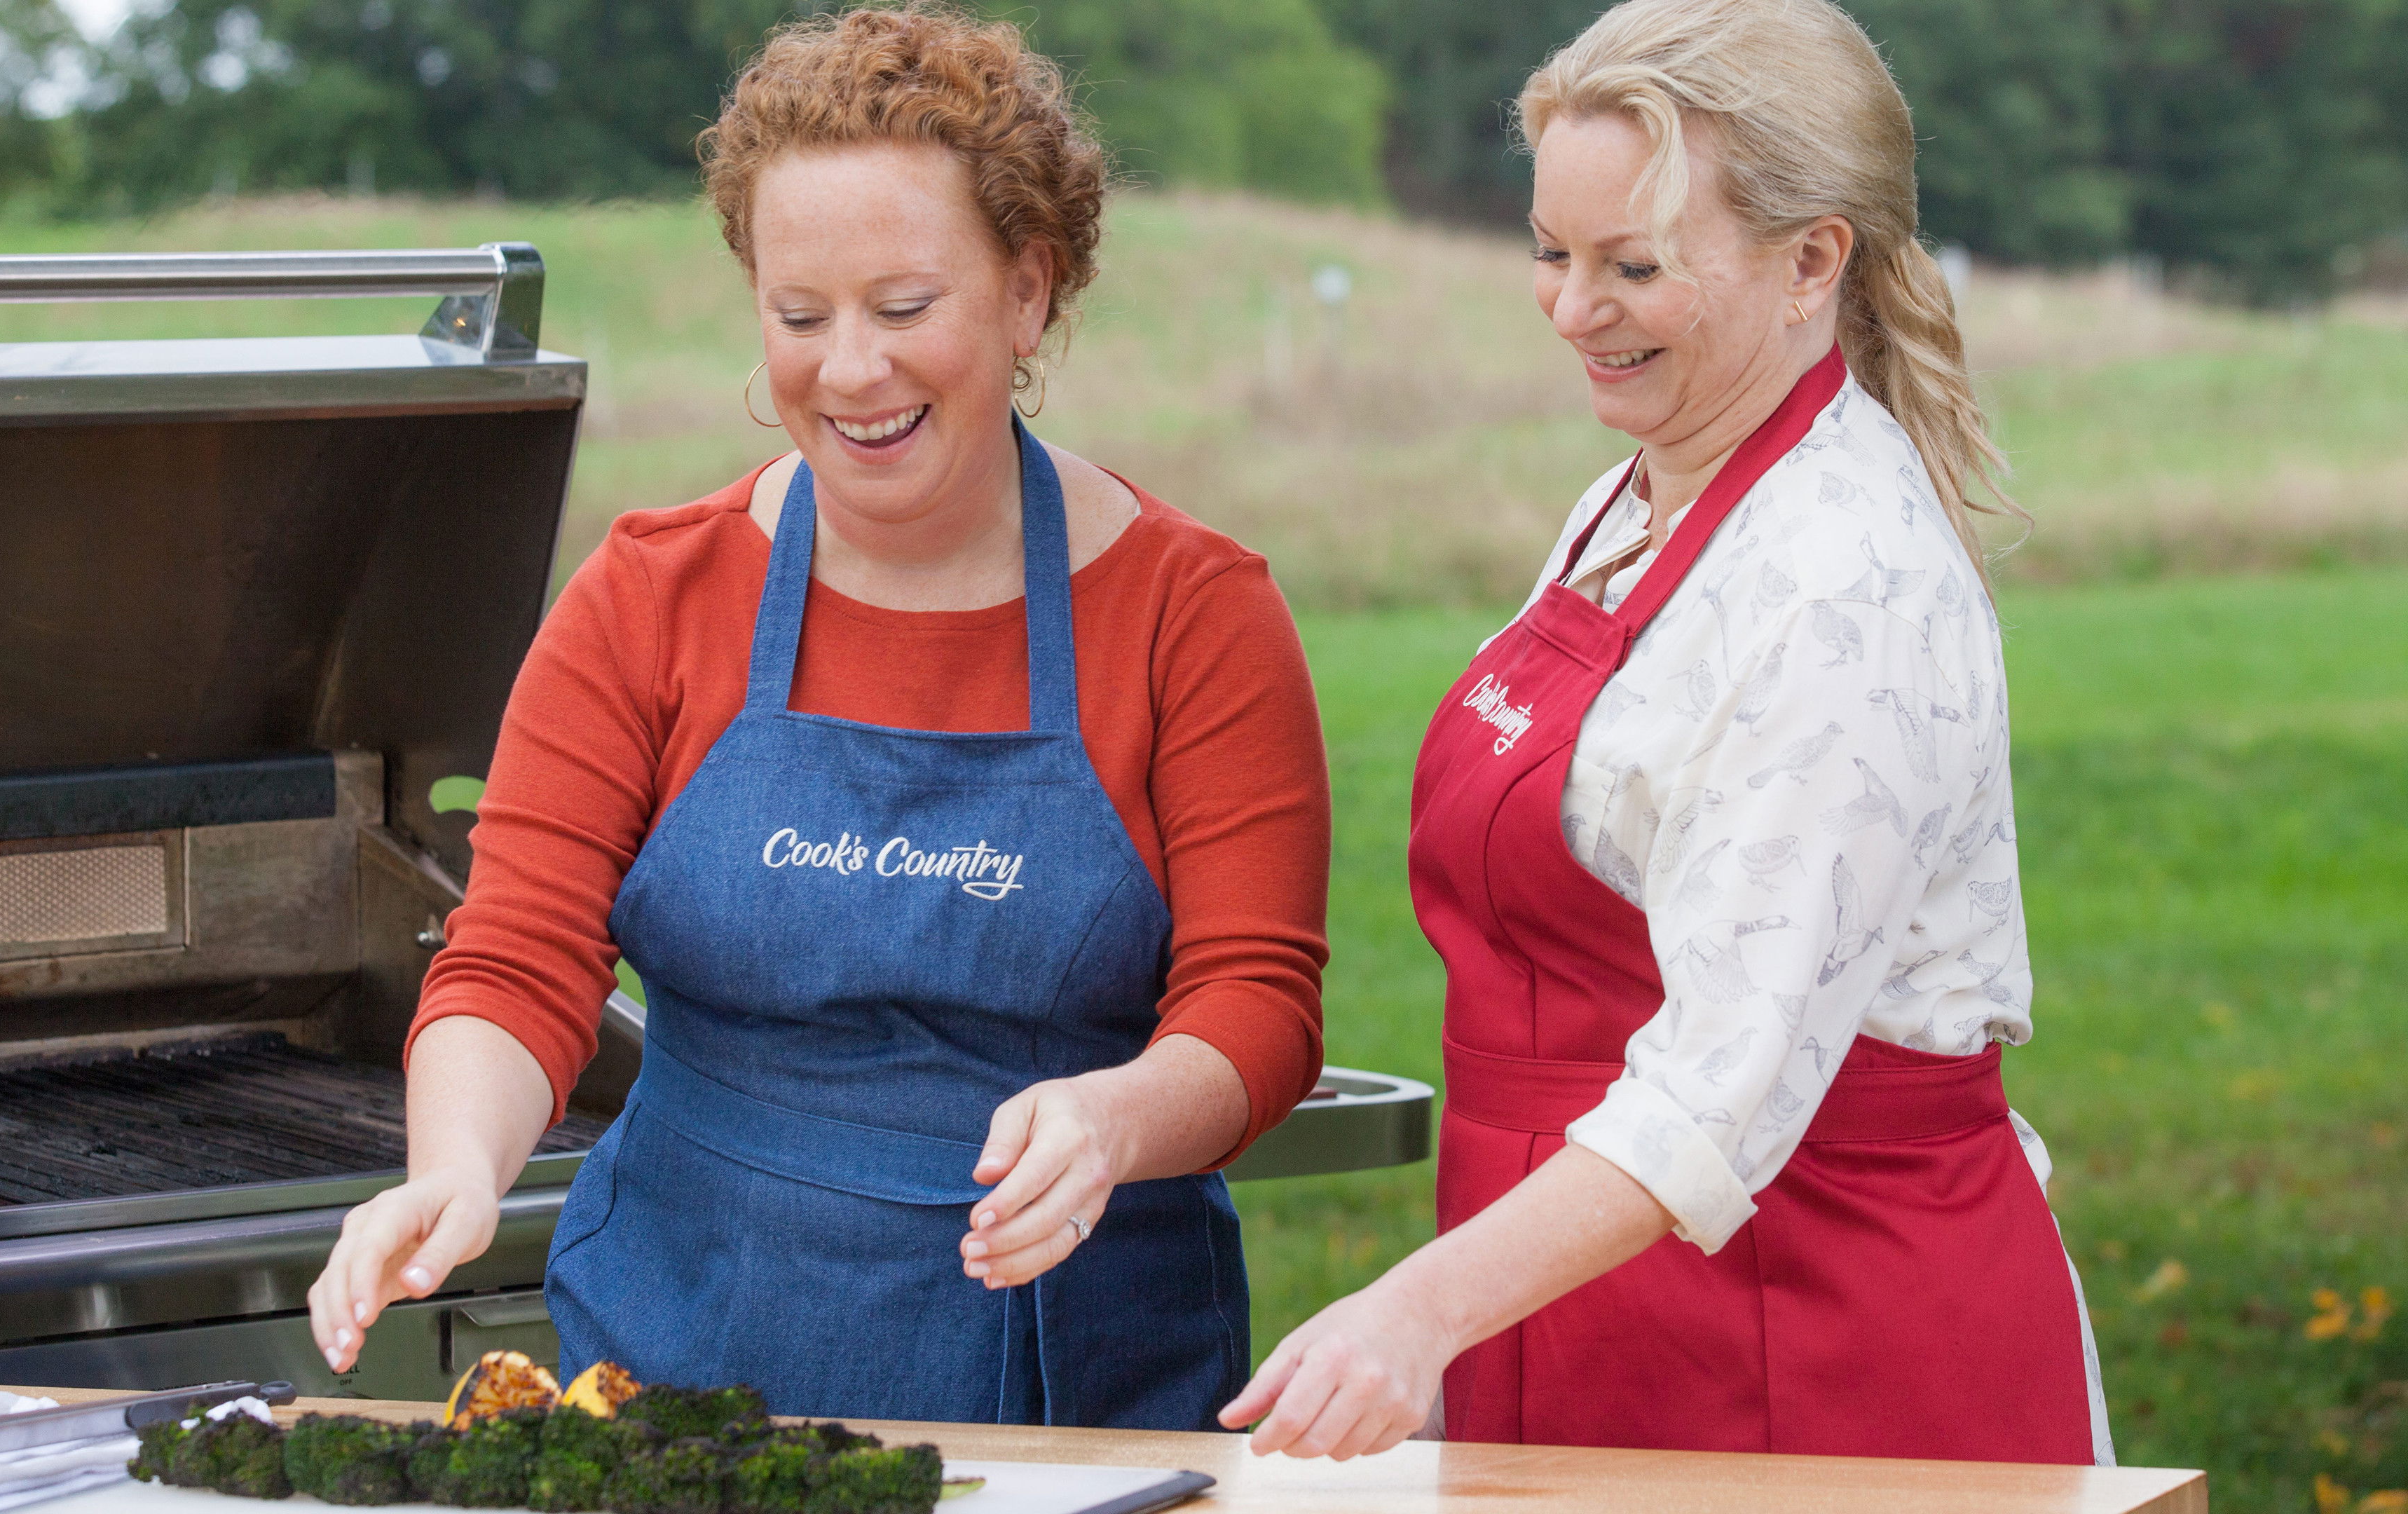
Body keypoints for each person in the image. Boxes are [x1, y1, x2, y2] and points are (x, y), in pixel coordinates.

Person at [304, 4, 1330, 1431]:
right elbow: (520, 957)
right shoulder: (654, 593)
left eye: (905, 309)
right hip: (681, 1352)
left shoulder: (1192, 613)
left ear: (1029, 292)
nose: (848, 372)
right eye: (800, 316)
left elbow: (1257, 1005)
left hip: (1071, 1382)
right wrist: (458, 1166)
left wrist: (1115, 1121)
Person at [1217, 0, 2112, 1465]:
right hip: (1585, 1303)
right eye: (1550, 255)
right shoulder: (1639, 496)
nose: (1575, 310)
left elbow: (1721, 1092)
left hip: (1816, 1339)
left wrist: (1415, 1315)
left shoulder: (1844, 586)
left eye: (1633, 266)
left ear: (1813, 259)